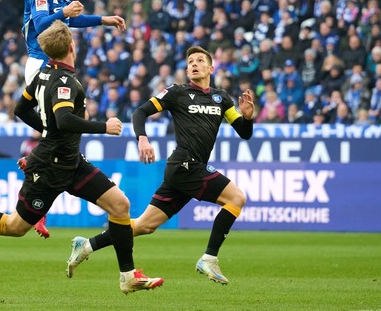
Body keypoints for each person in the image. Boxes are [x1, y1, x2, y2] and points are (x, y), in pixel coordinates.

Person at [0, 21, 164, 294]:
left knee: (120, 205)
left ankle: (127, 276)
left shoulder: (45, 73)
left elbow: (21, 108)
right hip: (48, 168)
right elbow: (65, 118)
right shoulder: (64, 82)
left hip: (71, 162)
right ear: (72, 46)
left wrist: (47, 131)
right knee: (15, 226)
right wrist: (102, 127)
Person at [65, 46, 255, 284]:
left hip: (185, 171)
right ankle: (209, 257)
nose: (194, 64)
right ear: (187, 70)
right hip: (185, 165)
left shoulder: (221, 98)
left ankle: (87, 245)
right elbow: (140, 113)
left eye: (199, 60)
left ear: (211, 67)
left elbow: (244, 133)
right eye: (190, 62)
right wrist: (142, 138)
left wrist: (247, 117)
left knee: (144, 225)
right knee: (236, 198)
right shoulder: (177, 92)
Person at [21, 0, 126, 238]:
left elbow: (70, 21)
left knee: (66, 125)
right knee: (68, 124)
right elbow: (43, 25)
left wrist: (103, 19)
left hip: (52, 63)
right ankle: (35, 165)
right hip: (41, 61)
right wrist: (63, 13)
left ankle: (35, 162)